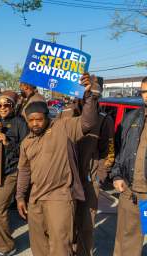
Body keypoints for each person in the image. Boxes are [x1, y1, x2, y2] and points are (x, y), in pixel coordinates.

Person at [16, 73, 100, 256]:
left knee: (61, 247)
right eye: (31, 120)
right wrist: (20, 197)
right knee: (39, 247)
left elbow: (88, 122)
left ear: (47, 118)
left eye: (39, 119)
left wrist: (89, 95)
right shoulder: (27, 143)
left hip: (60, 198)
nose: (35, 124)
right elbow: (23, 171)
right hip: (35, 199)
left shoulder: (63, 128)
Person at [60, 97, 114, 256]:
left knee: (85, 225)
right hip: (65, 180)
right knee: (66, 223)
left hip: (89, 180)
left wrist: (100, 176)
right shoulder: (65, 114)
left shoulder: (104, 119)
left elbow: (109, 151)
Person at [0, 91, 28, 256]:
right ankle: (1, 241)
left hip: (11, 172)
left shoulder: (20, 123)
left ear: (13, 106)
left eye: (6, 105)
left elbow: (26, 150)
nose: (2, 108)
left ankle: (7, 247)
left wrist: (7, 142)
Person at [111, 77, 147, 256]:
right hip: (130, 192)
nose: (146, 96)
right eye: (143, 92)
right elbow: (117, 150)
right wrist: (117, 176)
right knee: (125, 242)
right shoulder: (131, 118)